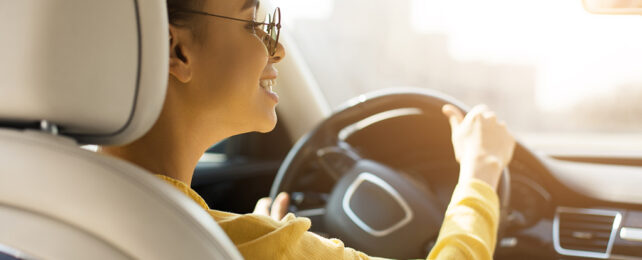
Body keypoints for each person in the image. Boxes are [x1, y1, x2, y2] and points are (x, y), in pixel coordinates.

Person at [100, 0, 516, 259]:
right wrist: (481, 171)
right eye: (253, 24)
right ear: (178, 51)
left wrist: (241, 237)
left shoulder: (59, 196)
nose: (277, 48)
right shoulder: (252, 246)